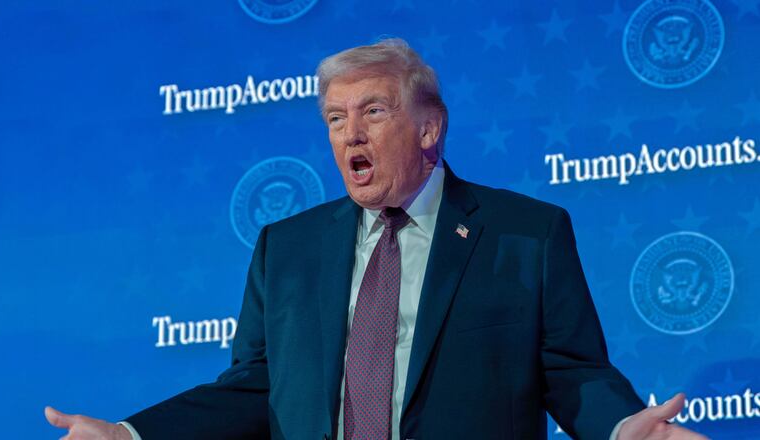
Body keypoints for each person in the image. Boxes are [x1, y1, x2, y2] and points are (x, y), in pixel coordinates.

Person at [45, 38, 707, 440]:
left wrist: (623, 426)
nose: (350, 134)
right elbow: (253, 389)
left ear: (429, 129)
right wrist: (132, 433)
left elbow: (572, 371)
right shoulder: (287, 250)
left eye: (373, 111)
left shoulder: (525, 234)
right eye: (335, 119)